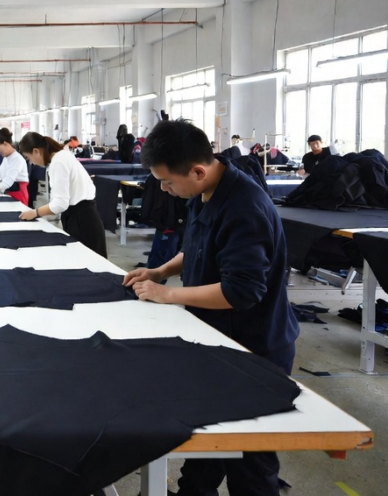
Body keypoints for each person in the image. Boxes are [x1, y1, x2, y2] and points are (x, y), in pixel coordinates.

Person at [122, 119, 299, 496]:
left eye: (167, 182)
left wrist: (166, 295)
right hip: (218, 336)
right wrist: (162, 270)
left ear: (198, 170)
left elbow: (242, 291)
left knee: (251, 460)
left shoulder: (244, 207)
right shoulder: (206, 192)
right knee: (209, 443)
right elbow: (199, 247)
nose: (165, 191)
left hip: (254, 347)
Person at [17, 132, 107, 258]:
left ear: (36, 151)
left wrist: (35, 212)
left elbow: (60, 204)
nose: (31, 163)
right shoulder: (62, 156)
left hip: (81, 221)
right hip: (83, 216)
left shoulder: (58, 162)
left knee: (88, 266)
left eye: (29, 158)